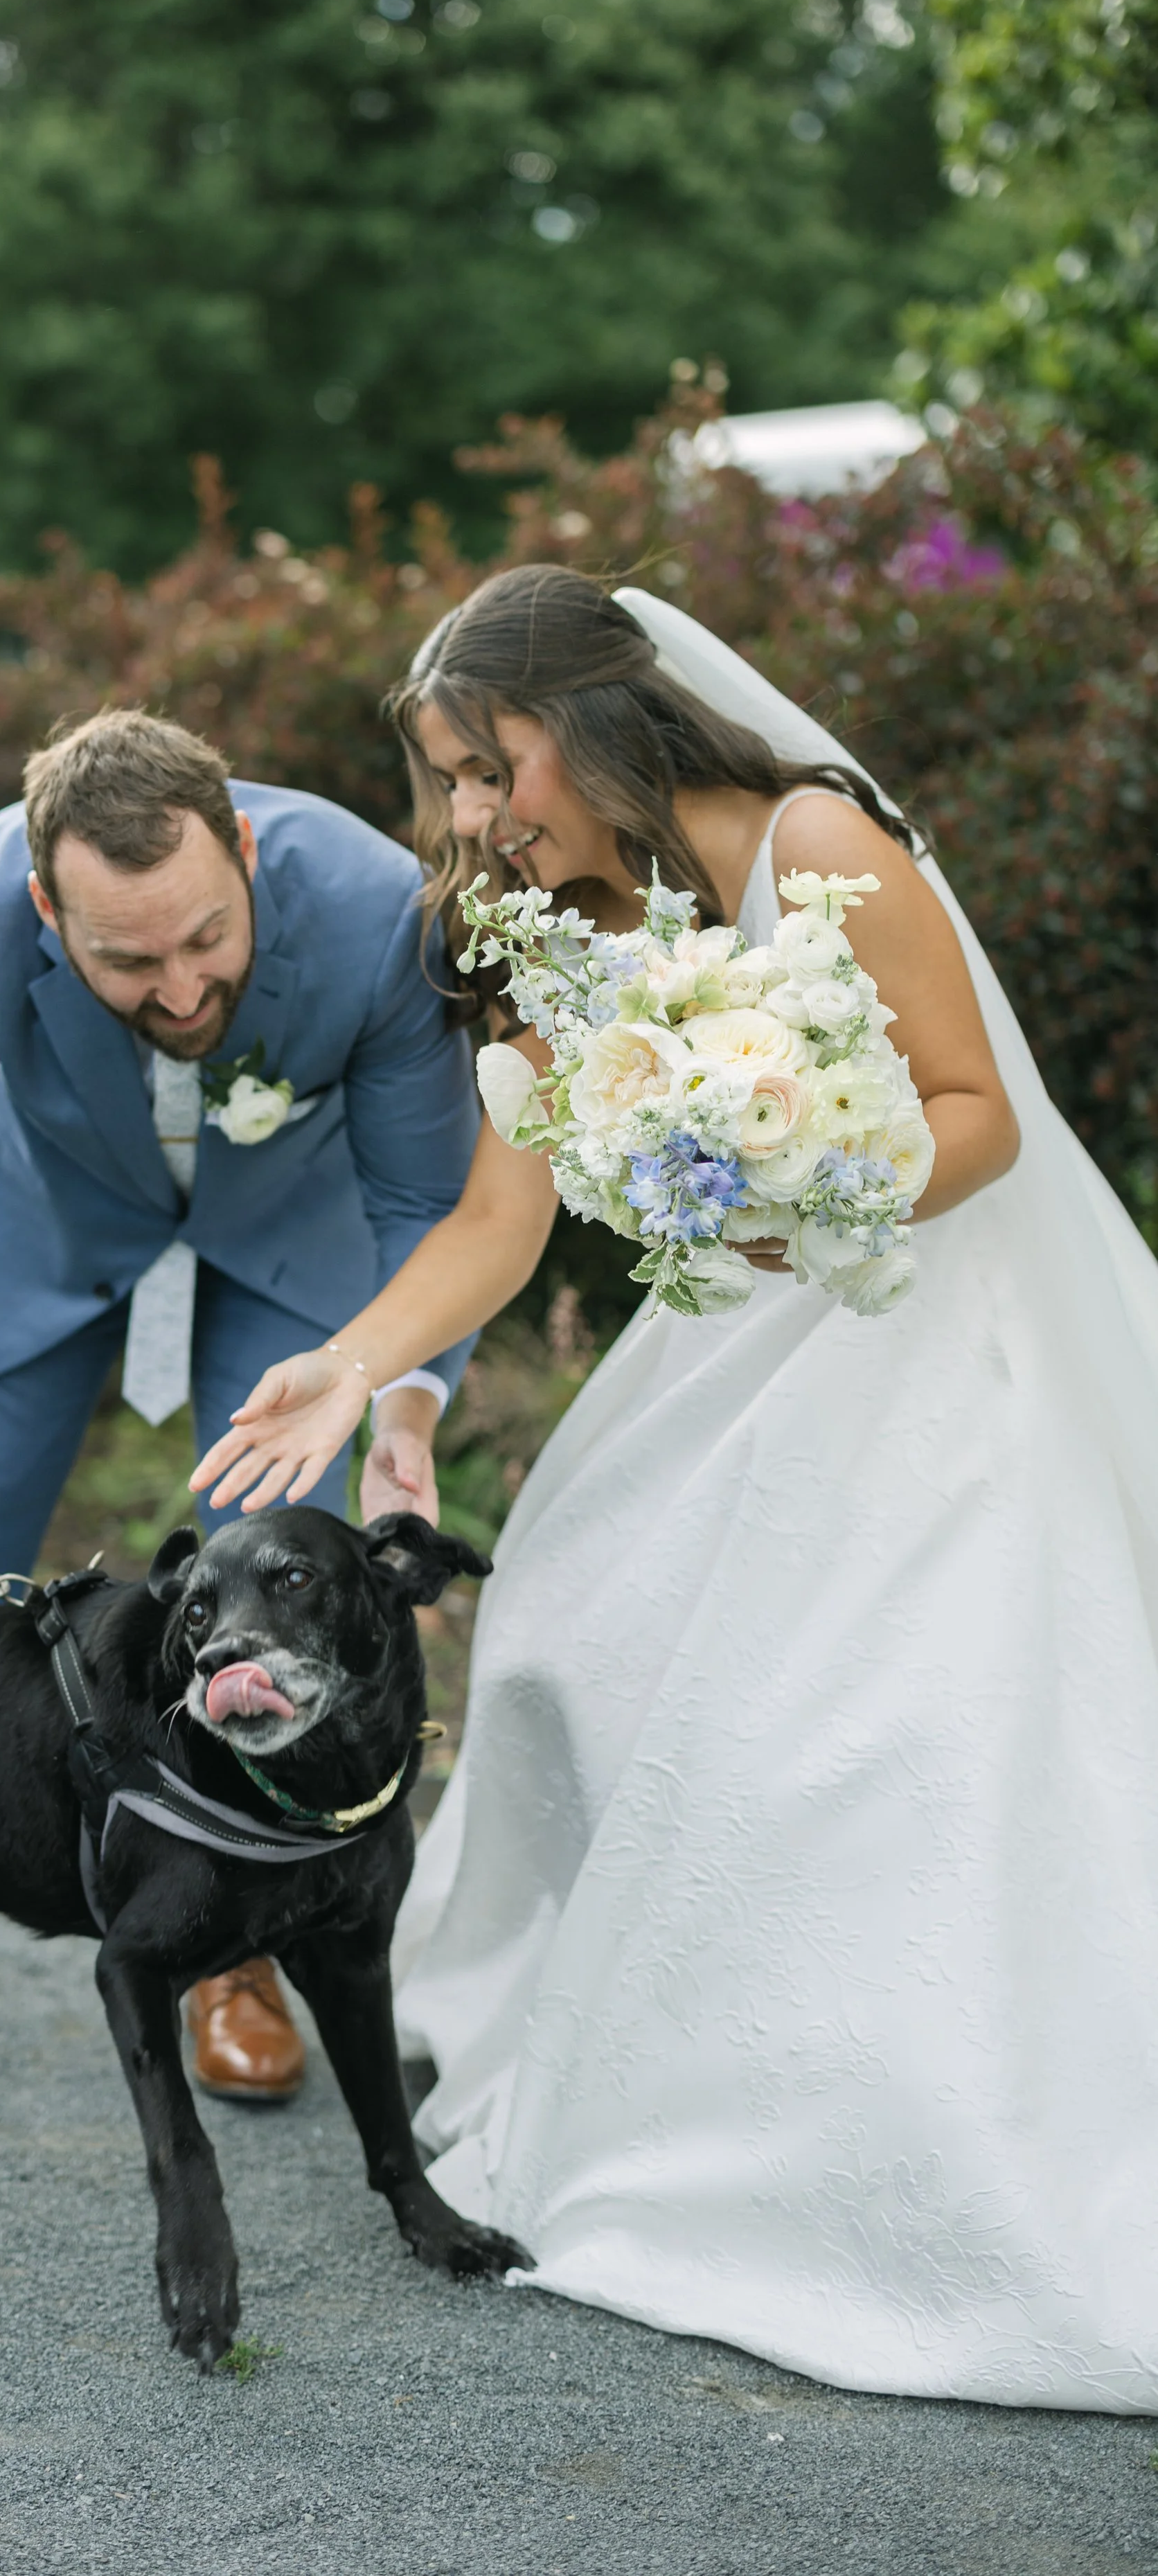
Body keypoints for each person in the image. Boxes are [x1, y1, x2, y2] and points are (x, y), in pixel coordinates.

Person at [192, 564, 1158, 2413]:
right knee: (576, 1611)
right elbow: (499, 1222)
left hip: (923, 1332)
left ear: (592, 716)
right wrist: (354, 1359)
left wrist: (812, 1185)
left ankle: (917, 2137)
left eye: (491, 766)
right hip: (737, 1339)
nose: (471, 814)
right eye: (447, 781)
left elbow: (975, 1112)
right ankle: (690, 2086)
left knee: (878, 1728)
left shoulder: (813, 843)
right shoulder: (541, 929)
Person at [0, 709, 479, 2094]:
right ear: (45, 909)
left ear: (242, 848)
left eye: (208, 938)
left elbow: (424, 1200)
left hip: (287, 1258)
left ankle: (238, 1949)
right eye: (128, 960)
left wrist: (403, 1415)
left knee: (272, 1576)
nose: (183, 988)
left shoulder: (376, 908)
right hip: (40, 1239)